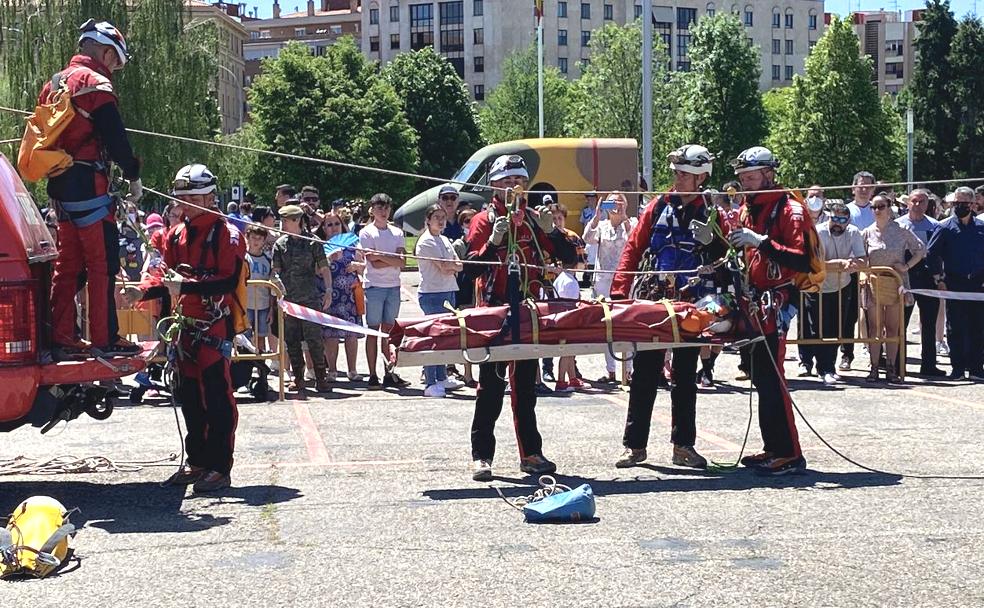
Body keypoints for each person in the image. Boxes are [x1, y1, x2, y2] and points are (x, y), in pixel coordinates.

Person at [127, 164, 244, 492]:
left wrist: (186, 288)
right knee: (189, 397)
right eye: (181, 198)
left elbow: (228, 280)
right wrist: (143, 290)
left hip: (212, 326)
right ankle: (198, 461)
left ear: (209, 198)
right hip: (184, 328)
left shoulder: (227, 234)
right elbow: (164, 273)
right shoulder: (175, 234)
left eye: (191, 197)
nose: (184, 204)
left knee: (217, 398)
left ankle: (220, 466)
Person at [610, 144, 727, 470]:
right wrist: (620, 293)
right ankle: (634, 447)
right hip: (657, 299)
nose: (677, 178)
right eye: (676, 172)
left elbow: (729, 255)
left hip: (693, 302)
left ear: (701, 177)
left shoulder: (714, 212)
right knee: (645, 372)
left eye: (684, 174)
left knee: (686, 375)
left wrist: (714, 240)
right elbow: (633, 249)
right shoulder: (658, 206)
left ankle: (683, 446)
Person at [466, 154, 576, 481]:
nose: (514, 187)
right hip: (494, 310)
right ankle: (482, 456)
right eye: (507, 182)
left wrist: (552, 232)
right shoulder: (484, 221)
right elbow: (470, 267)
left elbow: (569, 257)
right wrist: (493, 241)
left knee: (526, 387)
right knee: (490, 386)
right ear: (494, 187)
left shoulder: (532, 218)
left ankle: (531, 453)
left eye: (519, 181)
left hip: (528, 310)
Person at [44, 19, 142, 360]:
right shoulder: (96, 83)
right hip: (89, 185)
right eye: (115, 58)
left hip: (59, 186)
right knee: (102, 265)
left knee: (67, 264)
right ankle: (105, 337)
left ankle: (62, 336)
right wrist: (133, 174)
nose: (114, 67)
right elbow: (115, 138)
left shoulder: (54, 83)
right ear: (103, 50)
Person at [725, 146, 809, 475]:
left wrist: (759, 241)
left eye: (751, 177)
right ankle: (773, 447)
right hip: (754, 301)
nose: (745, 183)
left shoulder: (789, 209)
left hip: (778, 301)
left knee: (773, 379)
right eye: (742, 178)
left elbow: (799, 258)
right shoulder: (750, 208)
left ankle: (789, 452)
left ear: (769, 174)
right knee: (760, 377)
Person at [860, 193, 925, 383]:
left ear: (889, 208)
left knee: (892, 328)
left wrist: (907, 266)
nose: (877, 211)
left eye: (881, 206)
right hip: (873, 283)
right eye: (874, 207)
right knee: (874, 328)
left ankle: (891, 367)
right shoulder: (866, 232)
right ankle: (874, 367)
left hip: (896, 282)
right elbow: (862, 257)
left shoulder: (902, 229)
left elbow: (920, 249)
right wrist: (865, 272)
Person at [272, 204, 333, 396]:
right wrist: (277, 286)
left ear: (296, 220)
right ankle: (298, 378)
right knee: (292, 341)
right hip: (289, 300)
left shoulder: (313, 242)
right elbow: (275, 271)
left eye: (285, 220)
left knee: (315, 340)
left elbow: (324, 268)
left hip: (310, 299)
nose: (281, 224)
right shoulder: (280, 245)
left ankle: (321, 377)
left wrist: (329, 290)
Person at [927, 186, 984, 381]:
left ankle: (976, 368)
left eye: (963, 203)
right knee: (955, 327)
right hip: (954, 284)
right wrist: (939, 278)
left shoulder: (981, 228)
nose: (959, 206)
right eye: (956, 203)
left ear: (972, 204)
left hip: (978, 284)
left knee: (978, 326)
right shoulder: (944, 227)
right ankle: (958, 368)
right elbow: (931, 254)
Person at [583, 190, 638, 384]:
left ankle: (629, 370)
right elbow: (586, 238)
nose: (615, 206)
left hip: (624, 281)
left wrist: (623, 217)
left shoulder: (631, 222)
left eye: (619, 202)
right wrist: (597, 216)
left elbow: (635, 239)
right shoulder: (602, 226)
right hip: (603, 281)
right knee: (607, 325)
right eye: (611, 203)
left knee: (627, 324)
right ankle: (611, 370)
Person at [810, 201, 866, 386]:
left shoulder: (854, 232)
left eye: (842, 220)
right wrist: (837, 264)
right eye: (834, 218)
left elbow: (863, 260)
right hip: (818, 287)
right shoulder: (818, 231)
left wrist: (853, 263)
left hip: (843, 286)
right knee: (819, 328)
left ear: (848, 221)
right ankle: (822, 368)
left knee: (837, 328)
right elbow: (813, 263)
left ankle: (830, 367)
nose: (837, 223)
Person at [359, 193, 408, 389]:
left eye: (386, 207)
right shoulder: (367, 232)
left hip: (393, 287)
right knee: (373, 331)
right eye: (379, 207)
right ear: (372, 210)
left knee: (389, 332)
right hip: (374, 287)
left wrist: (383, 256)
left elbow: (402, 261)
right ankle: (372, 374)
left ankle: (390, 372)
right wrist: (390, 259)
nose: (383, 211)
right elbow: (373, 262)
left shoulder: (397, 232)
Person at [415, 204, 465, 397]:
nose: (441, 220)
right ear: (428, 220)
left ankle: (442, 376)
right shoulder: (426, 242)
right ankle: (430, 381)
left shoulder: (444, 239)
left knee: (444, 337)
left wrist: (452, 266)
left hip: (449, 290)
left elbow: (459, 265)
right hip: (432, 293)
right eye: (436, 216)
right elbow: (445, 267)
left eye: (443, 216)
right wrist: (451, 266)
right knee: (433, 337)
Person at [896, 189, 945, 377]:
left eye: (922, 201)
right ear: (908, 203)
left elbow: (937, 254)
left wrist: (939, 277)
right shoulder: (898, 226)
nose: (917, 205)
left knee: (929, 323)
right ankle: (898, 363)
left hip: (928, 278)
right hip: (905, 278)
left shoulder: (935, 226)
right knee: (901, 322)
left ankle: (929, 365)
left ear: (928, 204)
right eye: (914, 201)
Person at [320, 211, 365, 382]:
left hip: (350, 295)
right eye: (329, 225)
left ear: (342, 225)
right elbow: (316, 271)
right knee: (330, 335)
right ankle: (332, 370)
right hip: (331, 294)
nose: (333, 228)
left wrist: (357, 266)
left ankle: (352, 370)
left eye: (336, 224)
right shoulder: (321, 246)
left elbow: (365, 266)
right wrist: (329, 259)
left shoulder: (352, 244)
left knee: (351, 334)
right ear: (324, 228)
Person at [839, 171, 876, 372]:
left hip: (875, 269)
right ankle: (847, 354)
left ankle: (876, 355)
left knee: (875, 314)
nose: (864, 189)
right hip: (851, 269)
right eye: (861, 185)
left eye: (868, 186)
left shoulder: (878, 208)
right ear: (853, 188)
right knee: (849, 315)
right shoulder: (846, 211)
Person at [245, 225, 274, 354]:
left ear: (264, 240)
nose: (256, 241)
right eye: (253, 237)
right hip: (246, 304)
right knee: (245, 336)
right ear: (248, 238)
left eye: (259, 238)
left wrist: (271, 309)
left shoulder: (267, 260)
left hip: (263, 304)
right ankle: (246, 364)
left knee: (261, 335)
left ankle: (260, 362)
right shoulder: (243, 258)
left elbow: (271, 286)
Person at [579, 191, 599, 288]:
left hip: (596, 238)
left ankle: (593, 279)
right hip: (587, 238)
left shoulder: (600, 211)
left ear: (595, 199)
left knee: (594, 258)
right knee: (587, 259)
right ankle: (587, 277)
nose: (589, 201)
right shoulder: (585, 211)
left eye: (591, 199)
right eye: (588, 199)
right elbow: (583, 224)